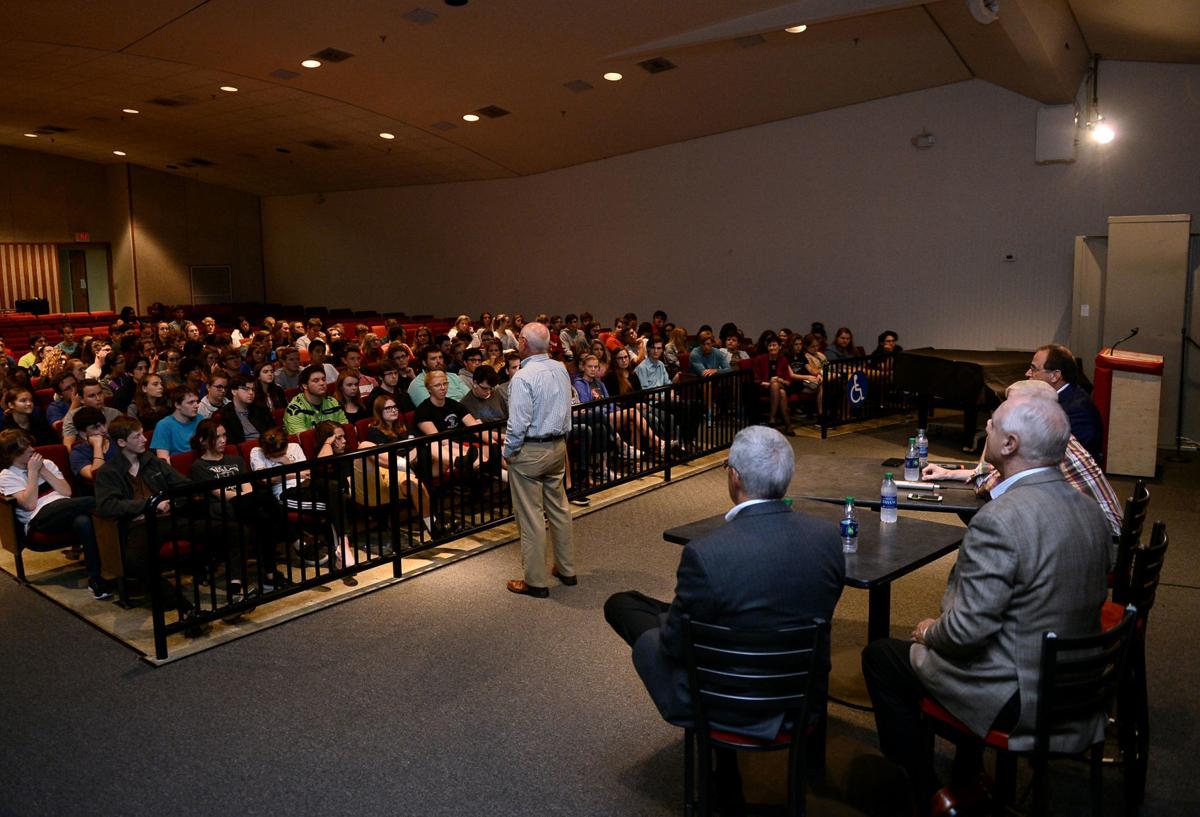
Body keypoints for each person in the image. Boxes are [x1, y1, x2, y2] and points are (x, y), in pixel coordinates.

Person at [862, 393, 1111, 811]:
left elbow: (964, 634)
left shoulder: (999, 519)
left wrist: (928, 630)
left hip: (1020, 694)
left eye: (993, 424)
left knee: (883, 658)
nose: (986, 429)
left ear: (1010, 444)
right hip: (1079, 683)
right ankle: (968, 775)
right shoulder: (1089, 509)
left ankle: (932, 794)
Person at [603, 426, 844, 805]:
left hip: (725, 698)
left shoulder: (707, 553)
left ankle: (722, 770)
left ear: (734, 477)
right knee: (638, 607)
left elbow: (676, 647)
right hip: (798, 694)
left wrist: (671, 627)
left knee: (645, 630)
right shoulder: (828, 539)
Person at [921, 379, 1123, 540]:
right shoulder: (1050, 434)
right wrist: (949, 473)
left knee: (995, 522)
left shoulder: (1044, 443)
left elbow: (986, 486)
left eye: (1013, 406)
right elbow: (994, 475)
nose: (1005, 411)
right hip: (1086, 530)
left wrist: (992, 439)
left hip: (1102, 541)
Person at [95, 416, 199, 618]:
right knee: (137, 561)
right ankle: (184, 607)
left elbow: (183, 484)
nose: (145, 439)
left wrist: (170, 503)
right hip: (139, 526)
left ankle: (236, 588)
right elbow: (107, 505)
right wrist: (150, 505)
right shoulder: (109, 471)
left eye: (143, 433)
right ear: (122, 442)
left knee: (226, 529)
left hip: (168, 518)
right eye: (138, 436)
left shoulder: (152, 461)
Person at [503, 322, 574, 598]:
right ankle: (567, 570)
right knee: (559, 509)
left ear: (523, 342)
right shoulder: (560, 368)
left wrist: (509, 452)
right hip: (558, 447)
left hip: (530, 451)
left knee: (531, 517)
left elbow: (517, 424)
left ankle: (535, 581)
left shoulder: (522, 377)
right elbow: (566, 408)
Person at [0, 429, 111, 599]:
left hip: (65, 507)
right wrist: (33, 473)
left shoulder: (47, 464)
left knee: (84, 521)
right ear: (12, 455)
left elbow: (66, 491)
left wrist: (43, 470)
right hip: (39, 517)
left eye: (30, 445)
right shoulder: (7, 475)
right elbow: (29, 505)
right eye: (25, 448)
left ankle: (95, 578)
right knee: (92, 501)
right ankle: (119, 505)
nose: (31, 450)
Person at [1027, 343, 1104, 460]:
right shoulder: (1059, 397)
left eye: (1034, 369)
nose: (1027, 373)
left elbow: (1066, 459)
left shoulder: (1078, 412)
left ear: (1055, 376)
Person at [284, 365, 347, 434]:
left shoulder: (332, 402)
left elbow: (345, 428)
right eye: (316, 380)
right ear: (305, 386)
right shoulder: (294, 410)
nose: (322, 383)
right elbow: (304, 440)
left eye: (323, 379)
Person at [62, 379, 123, 449]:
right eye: (92, 396)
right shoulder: (72, 416)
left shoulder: (115, 413)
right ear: (82, 400)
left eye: (100, 393)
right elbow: (69, 446)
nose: (98, 398)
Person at [217, 374, 275, 444]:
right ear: (234, 391)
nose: (251, 393)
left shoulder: (261, 409)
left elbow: (274, 432)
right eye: (246, 389)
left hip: (267, 447)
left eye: (253, 389)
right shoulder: (224, 415)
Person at [67, 405, 119, 483]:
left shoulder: (116, 441)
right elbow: (99, 477)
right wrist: (97, 446)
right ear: (83, 434)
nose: (104, 430)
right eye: (96, 427)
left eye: (103, 424)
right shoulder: (78, 453)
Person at [150, 387, 202, 459]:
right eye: (191, 402)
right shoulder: (164, 425)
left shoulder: (200, 419)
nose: (197, 405)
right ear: (177, 405)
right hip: (177, 467)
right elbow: (163, 459)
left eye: (197, 401)